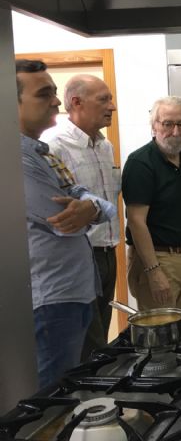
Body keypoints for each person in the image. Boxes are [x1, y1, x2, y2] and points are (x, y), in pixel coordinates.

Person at [16, 59, 116, 388]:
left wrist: (90, 206)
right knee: (52, 394)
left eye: (54, 92)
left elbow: (95, 202)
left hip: (79, 284)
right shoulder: (17, 157)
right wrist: (91, 207)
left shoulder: (42, 152)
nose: (56, 101)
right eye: (44, 94)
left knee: (83, 373)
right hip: (52, 296)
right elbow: (61, 219)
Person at [48, 74, 120, 360]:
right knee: (88, 343)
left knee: (99, 338)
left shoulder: (105, 146)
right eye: (104, 99)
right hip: (79, 256)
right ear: (76, 102)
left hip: (108, 253)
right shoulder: (54, 147)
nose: (112, 106)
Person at [122, 96, 181, 311]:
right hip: (157, 259)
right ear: (153, 126)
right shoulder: (141, 163)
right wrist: (154, 271)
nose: (176, 131)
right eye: (167, 124)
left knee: (179, 327)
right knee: (159, 329)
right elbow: (136, 221)